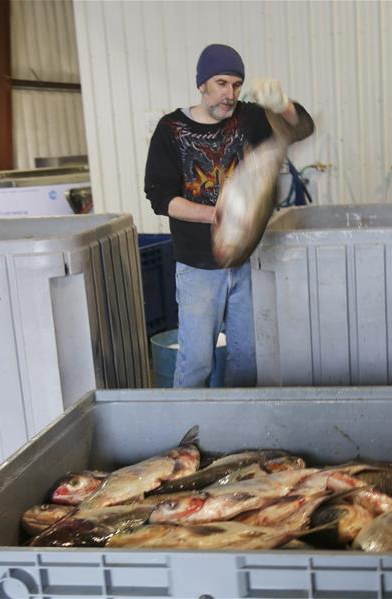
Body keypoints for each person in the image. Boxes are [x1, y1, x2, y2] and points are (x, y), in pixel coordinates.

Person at [144, 44, 314, 388]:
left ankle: (239, 433)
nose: (230, 94)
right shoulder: (171, 128)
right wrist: (218, 214)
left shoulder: (249, 117)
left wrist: (283, 105)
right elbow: (161, 198)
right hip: (197, 268)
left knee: (248, 359)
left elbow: (302, 128)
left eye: (237, 85)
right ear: (201, 84)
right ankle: (186, 436)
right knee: (196, 363)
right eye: (221, 83)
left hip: (247, 264)